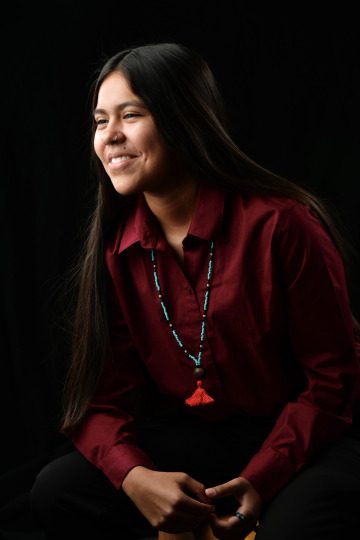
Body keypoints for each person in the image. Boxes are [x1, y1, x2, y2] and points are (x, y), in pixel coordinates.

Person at [30, 43, 360, 540]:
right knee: (55, 490)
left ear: (185, 119)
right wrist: (136, 479)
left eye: (131, 114)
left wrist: (262, 478)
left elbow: (334, 381)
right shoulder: (118, 251)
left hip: (314, 435)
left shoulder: (283, 226)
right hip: (207, 436)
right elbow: (100, 400)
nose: (110, 136)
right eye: (100, 121)